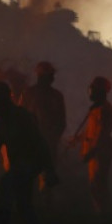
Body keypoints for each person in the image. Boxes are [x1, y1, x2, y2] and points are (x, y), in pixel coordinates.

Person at [0, 81, 59, 224]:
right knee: (24, 205)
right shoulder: (1, 120)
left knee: (5, 184)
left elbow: (41, 144)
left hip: (31, 163)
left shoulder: (23, 117)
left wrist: (49, 170)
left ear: (3, 101)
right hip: (19, 164)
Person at [70, 76, 112, 215]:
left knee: (98, 186)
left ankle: (104, 216)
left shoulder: (104, 109)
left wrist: (90, 152)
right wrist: (78, 139)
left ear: (101, 91)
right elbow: (91, 129)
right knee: (95, 185)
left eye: (94, 89)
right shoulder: (97, 109)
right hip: (97, 151)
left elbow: (101, 134)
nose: (91, 92)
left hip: (100, 152)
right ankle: (101, 214)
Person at [19, 61, 67, 189]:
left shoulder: (28, 93)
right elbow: (61, 123)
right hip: (42, 143)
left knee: (34, 180)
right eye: (51, 75)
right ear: (44, 76)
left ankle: (36, 206)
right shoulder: (55, 96)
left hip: (36, 143)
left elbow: (19, 119)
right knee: (42, 180)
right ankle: (41, 205)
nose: (53, 78)